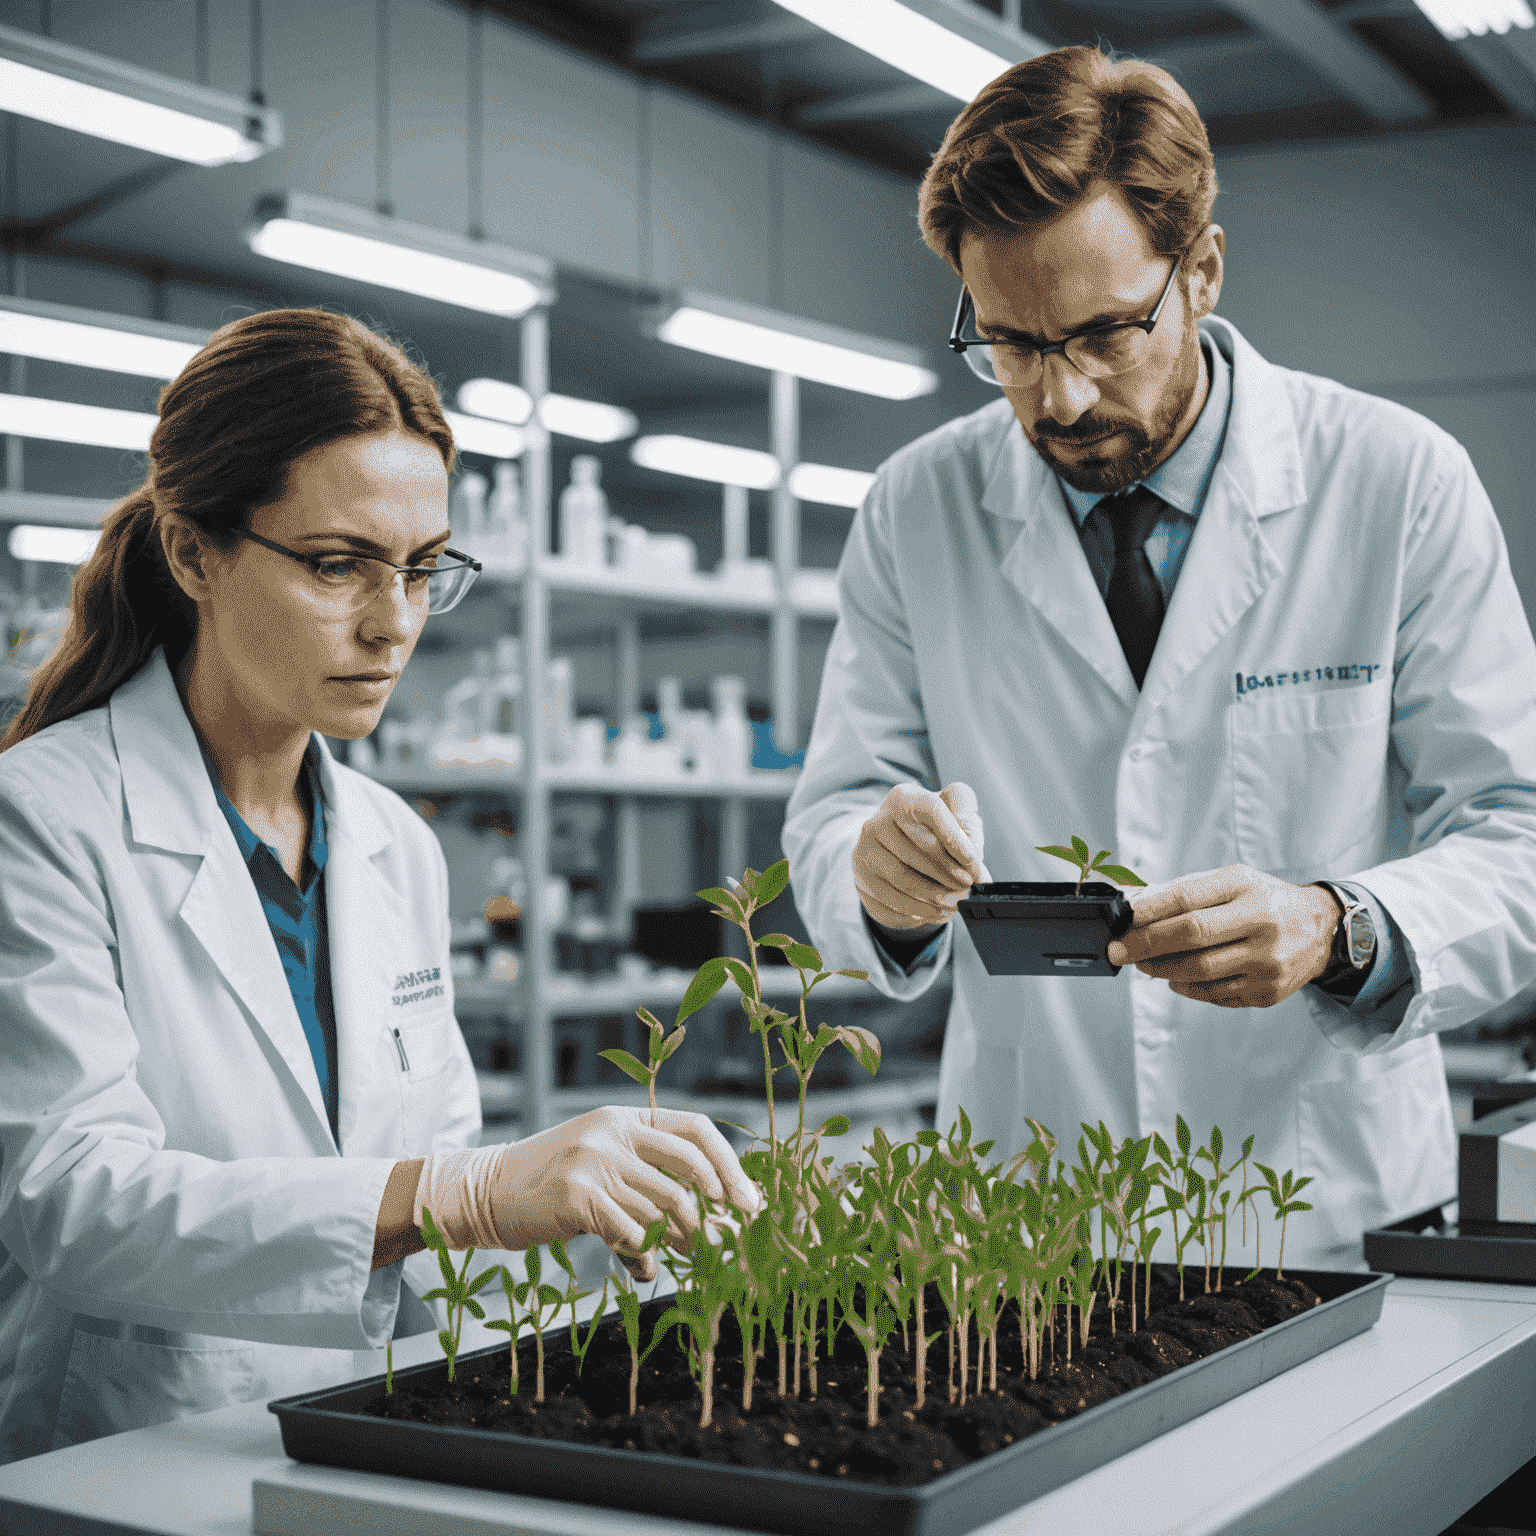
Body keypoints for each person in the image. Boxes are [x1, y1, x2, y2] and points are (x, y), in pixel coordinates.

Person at [783, 45, 1536, 1272]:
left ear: (1203, 272)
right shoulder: (917, 508)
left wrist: (1340, 925)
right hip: (1031, 1209)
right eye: (1013, 345)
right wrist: (875, 870)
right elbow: (831, 814)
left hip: (1316, 1207)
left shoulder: (1393, 481)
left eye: (1103, 335)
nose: (1061, 399)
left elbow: (1521, 833)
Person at [0, 309, 759, 1464]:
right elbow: (71, 1202)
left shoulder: (395, 845)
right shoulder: (45, 816)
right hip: (119, 1453)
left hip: (355, 1430)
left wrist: (593, 1243)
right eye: (338, 564)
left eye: (419, 569)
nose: (393, 623)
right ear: (194, 551)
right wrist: (463, 1194)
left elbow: (438, 1174)